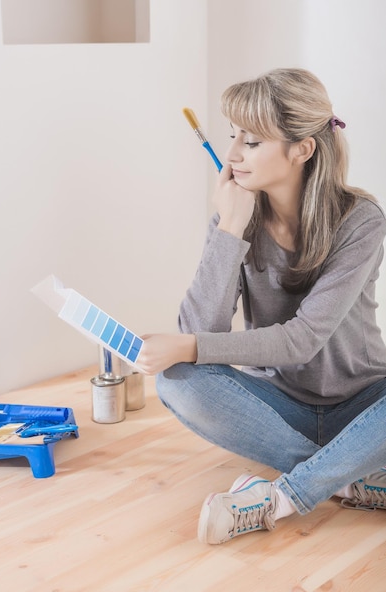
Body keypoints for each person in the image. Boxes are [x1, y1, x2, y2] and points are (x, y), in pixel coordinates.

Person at [137, 67, 386, 545]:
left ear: (302, 149)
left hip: (362, 402)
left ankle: (280, 498)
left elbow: (302, 340)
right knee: (178, 379)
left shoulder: (361, 221)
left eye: (250, 142)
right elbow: (201, 328)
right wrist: (230, 229)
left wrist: (187, 343)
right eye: (232, 137)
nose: (231, 155)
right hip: (281, 405)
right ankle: (348, 473)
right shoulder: (235, 216)